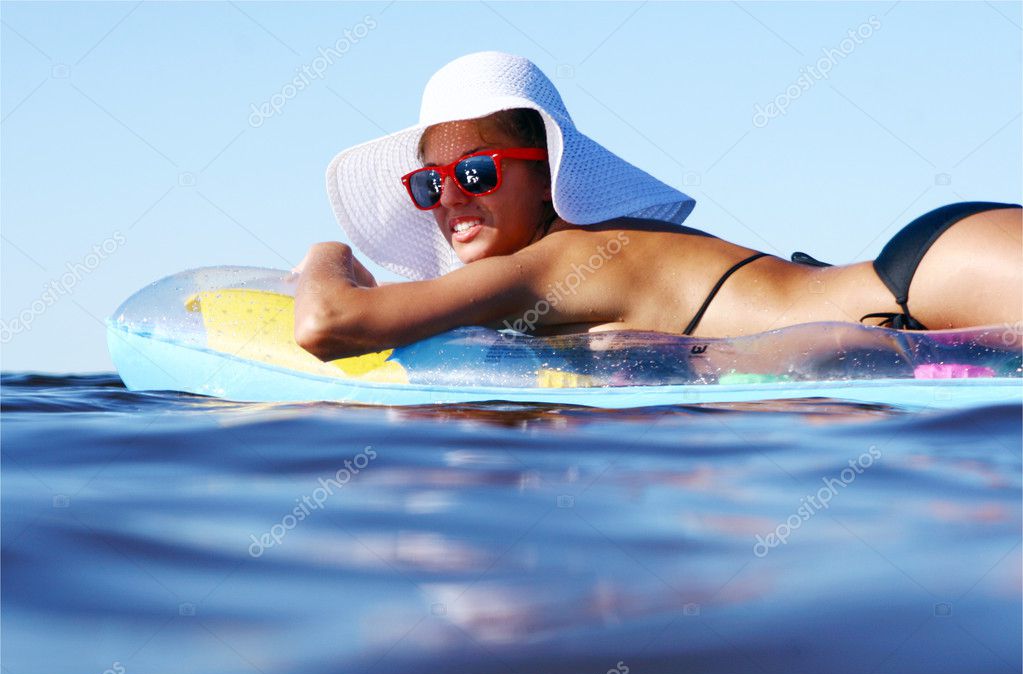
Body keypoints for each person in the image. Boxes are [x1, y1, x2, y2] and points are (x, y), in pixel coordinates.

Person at [294, 52, 1022, 361]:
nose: (448, 196)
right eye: (429, 183)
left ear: (545, 176)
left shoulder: (550, 263)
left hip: (924, 283)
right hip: (926, 271)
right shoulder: (593, 260)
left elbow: (330, 323)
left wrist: (325, 256)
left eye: (476, 172)